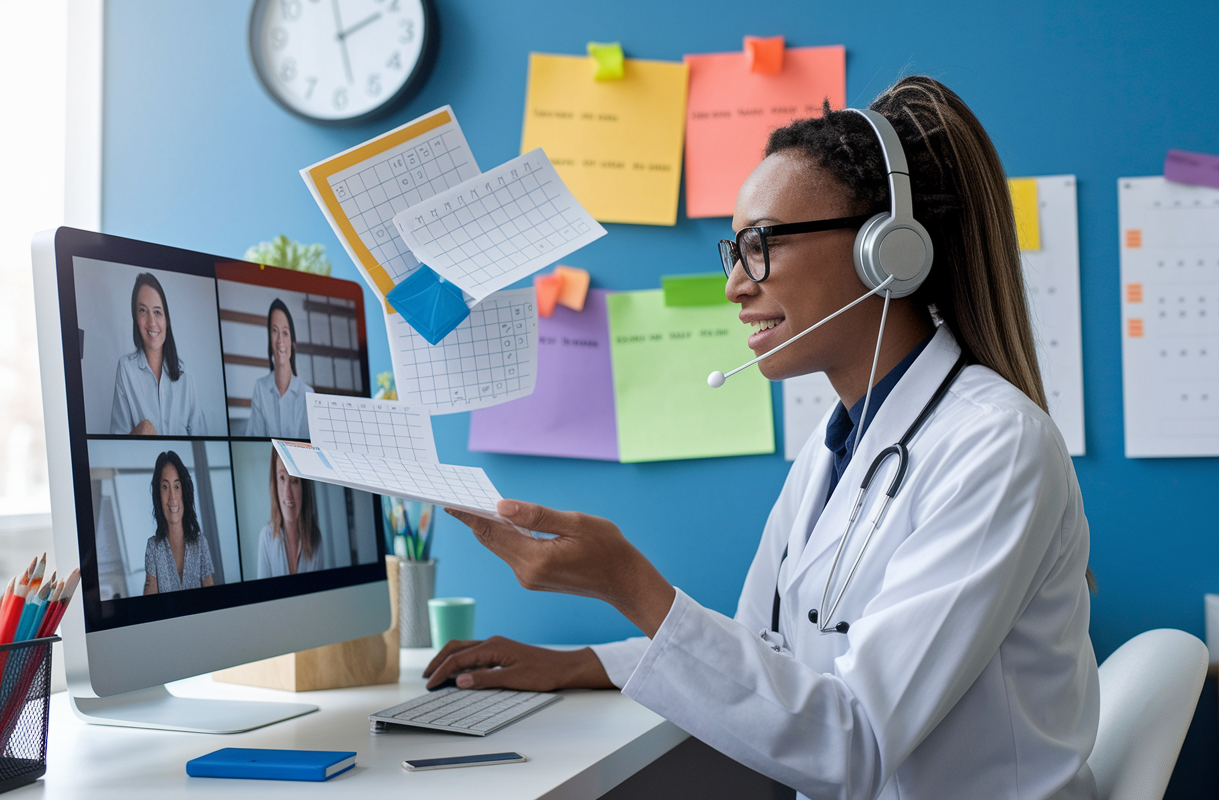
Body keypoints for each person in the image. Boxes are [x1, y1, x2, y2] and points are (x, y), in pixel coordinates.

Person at [426, 76, 1098, 800]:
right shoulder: (835, 449)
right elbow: (767, 652)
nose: (735, 287)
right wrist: (590, 659)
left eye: (760, 245)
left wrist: (628, 584)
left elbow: (856, 745)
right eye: (734, 252)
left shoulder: (996, 447)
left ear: (887, 252)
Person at [109, 272, 208, 436]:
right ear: (135, 318)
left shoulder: (187, 375)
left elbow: (201, 435)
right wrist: (141, 430)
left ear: (166, 320)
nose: (151, 323)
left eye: (157, 312)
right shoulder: (125, 369)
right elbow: (117, 436)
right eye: (142, 311)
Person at [143, 451, 215, 594]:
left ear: (185, 492)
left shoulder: (200, 542)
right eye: (165, 487)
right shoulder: (153, 547)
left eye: (176, 487)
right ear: (158, 495)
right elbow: (149, 604)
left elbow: (212, 597)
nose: (172, 498)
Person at [245, 299, 313, 438]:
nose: (280, 340)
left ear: (293, 344)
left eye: (285, 333)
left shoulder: (308, 394)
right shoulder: (260, 387)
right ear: (269, 340)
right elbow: (254, 437)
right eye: (275, 331)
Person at [257, 446, 325, 577]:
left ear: (304, 488)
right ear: (275, 483)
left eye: (294, 481)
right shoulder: (266, 538)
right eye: (282, 478)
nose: (287, 494)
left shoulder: (316, 539)